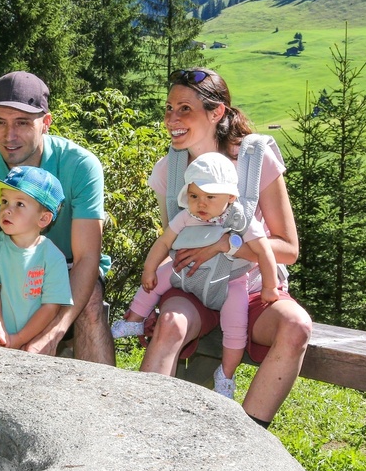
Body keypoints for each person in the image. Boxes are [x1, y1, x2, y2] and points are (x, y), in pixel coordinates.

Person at [137, 67, 312, 428]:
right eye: (169, 109)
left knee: (296, 326)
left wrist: (223, 247)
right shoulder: (169, 170)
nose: (171, 119)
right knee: (170, 323)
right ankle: (143, 429)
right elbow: (173, 243)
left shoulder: (255, 160)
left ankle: (249, 435)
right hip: (195, 286)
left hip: (250, 287)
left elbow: (288, 248)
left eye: (184, 109)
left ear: (216, 112)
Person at [0, 71, 115, 362]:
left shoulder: (81, 166)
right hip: (7, 266)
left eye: (22, 122)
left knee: (91, 295)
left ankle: (101, 390)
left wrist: (54, 333)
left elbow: (87, 258)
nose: (9, 136)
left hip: (68, 267)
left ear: (46, 122)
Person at [110, 152, 280, 399]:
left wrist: (270, 286)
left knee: (236, 325)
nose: (201, 204)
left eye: (210, 197)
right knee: (156, 280)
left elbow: (264, 251)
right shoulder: (187, 216)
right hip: (187, 273)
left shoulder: (240, 218)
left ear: (230, 197)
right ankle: (135, 319)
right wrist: (149, 269)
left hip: (230, 281)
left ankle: (226, 375)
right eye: (194, 196)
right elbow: (164, 242)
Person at [0, 165, 74, 348]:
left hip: (32, 343)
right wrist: (1, 331)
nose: (7, 210)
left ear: (43, 219)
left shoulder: (53, 258)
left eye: (19, 204)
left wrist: (18, 339)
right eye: (4, 201)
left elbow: (50, 307)